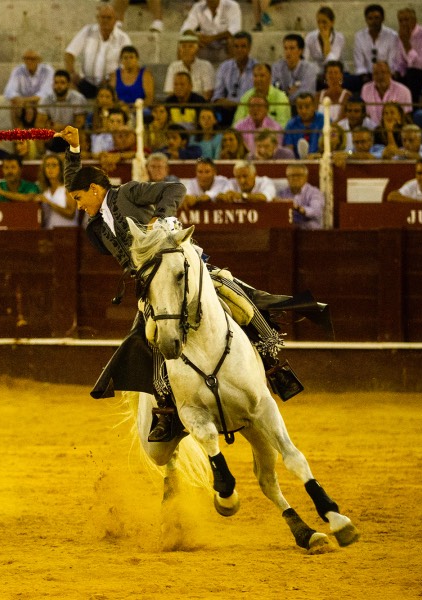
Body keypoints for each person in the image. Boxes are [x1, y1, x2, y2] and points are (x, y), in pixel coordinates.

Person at [57, 124, 303, 441]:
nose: (77, 205)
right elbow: (73, 181)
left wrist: (162, 216)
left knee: (230, 290)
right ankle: (165, 411)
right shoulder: (96, 224)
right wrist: (73, 150)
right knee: (148, 340)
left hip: (180, 266)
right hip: (152, 287)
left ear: (94, 190)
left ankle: (272, 363)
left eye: (79, 198)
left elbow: (174, 190)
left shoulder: (127, 193)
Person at [64, 4, 132, 99]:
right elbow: (69, 53)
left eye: (109, 18)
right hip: (87, 81)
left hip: (111, 83)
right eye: (102, 17)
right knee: (66, 82)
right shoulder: (87, 31)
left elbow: (128, 64)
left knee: (116, 83)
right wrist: (71, 72)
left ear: (115, 20)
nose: (105, 21)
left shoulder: (123, 38)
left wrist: (113, 77)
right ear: (97, 18)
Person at [211, 30, 256, 127]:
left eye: (243, 46)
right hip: (227, 110)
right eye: (236, 46)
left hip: (248, 110)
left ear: (249, 48)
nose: (239, 50)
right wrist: (222, 101)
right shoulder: (224, 67)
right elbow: (217, 96)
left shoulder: (257, 68)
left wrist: (236, 104)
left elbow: (257, 96)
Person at [392, 8, 422, 102]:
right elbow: (400, 61)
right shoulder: (400, 36)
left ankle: (413, 109)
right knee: (393, 77)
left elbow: (420, 64)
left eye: (406, 20)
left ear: (414, 20)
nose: (403, 23)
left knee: (412, 72)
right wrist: (396, 72)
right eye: (401, 20)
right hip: (410, 73)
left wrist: (406, 43)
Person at [179, 0, 242, 64]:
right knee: (184, 42)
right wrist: (196, 36)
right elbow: (185, 29)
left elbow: (235, 30)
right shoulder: (198, 7)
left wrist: (211, 38)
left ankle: (232, 70)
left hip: (224, 44)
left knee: (232, 41)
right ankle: (183, 71)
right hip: (204, 44)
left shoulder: (232, 6)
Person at [4, 50, 54, 129]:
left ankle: (40, 137)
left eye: (32, 59)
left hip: (39, 102)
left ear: (40, 60)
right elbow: (9, 92)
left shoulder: (48, 70)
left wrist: (27, 102)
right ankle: (18, 137)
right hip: (23, 104)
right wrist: (26, 105)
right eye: (26, 59)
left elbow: (46, 93)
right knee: (14, 105)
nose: (29, 62)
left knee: (43, 103)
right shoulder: (18, 70)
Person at [232, 63, 290, 128]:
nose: (258, 79)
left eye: (262, 76)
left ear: (270, 78)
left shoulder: (281, 97)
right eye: (255, 76)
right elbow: (236, 123)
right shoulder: (246, 96)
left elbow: (284, 126)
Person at [164, 33, 214, 100]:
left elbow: (208, 94)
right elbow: (170, 92)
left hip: (200, 105)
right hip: (178, 105)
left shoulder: (206, 66)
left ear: (197, 50)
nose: (186, 50)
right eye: (183, 46)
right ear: (179, 50)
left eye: (190, 46)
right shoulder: (173, 67)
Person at [361, 61, 412, 126]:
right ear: (372, 76)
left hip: (396, 129)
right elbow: (365, 114)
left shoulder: (403, 91)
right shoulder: (365, 89)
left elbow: (406, 116)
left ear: (390, 74)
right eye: (376, 73)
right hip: (371, 130)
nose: (380, 76)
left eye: (383, 72)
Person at [271, 34, 319, 103]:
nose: (288, 52)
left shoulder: (310, 68)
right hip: (281, 105)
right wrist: (291, 92)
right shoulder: (276, 67)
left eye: (292, 48)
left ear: (300, 51)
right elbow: (272, 89)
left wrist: (285, 94)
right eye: (285, 48)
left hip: (301, 107)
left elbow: (306, 93)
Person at [275, 164, 324, 229]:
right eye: (292, 175)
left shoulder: (314, 192)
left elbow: (316, 211)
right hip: (289, 228)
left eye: (299, 175)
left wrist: (298, 208)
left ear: (306, 177)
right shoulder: (282, 193)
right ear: (287, 178)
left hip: (308, 229)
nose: (295, 178)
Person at [38, 153, 77, 228]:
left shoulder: (68, 188)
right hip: (49, 231)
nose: (50, 169)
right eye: (47, 165)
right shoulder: (44, 191)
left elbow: (71, 213)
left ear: (61, 168)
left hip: (68, 232)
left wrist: (49, 203)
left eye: (54, 165)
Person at [304, 7, 345, 78]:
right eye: (319, 22)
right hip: (316, 73)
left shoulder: (339, 38)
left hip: (335, 73)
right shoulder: (310, 37)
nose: (321, 25)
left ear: (332, 22)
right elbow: (304, 59)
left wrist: (326, 40)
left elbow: (331, 63)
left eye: (324, 22)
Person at [283, 93, 325, 158]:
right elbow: (289, 150)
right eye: (300, 107)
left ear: (314, 106)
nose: (303, 111)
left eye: (307, 107)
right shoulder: (291, 125)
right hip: (298, 164)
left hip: (320, 160)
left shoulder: (324, 120)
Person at [114, 46, 153, 110]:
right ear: (121, 60)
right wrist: (120, 105)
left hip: (141, 109)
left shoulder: (145, 75)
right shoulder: (115, 75)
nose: (128, 60)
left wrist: (137, 107)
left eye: (131, 57)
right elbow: (113, 97)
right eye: (125, 58)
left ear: (137, 59)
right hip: (121, 109)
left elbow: (149, 97)